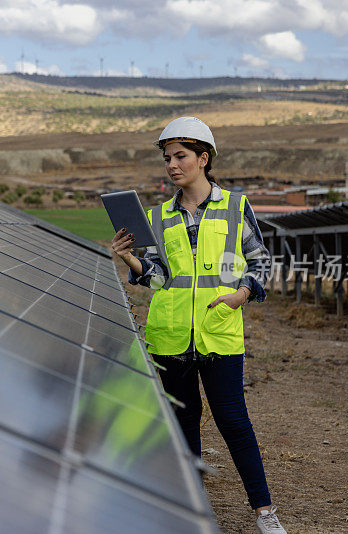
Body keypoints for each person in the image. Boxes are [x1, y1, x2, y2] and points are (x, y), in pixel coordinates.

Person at [111, 116, 287, 534]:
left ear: (203, 158)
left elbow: (261, 262)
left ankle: (264, 512)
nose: (172, 165)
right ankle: (191, 511)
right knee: (184, 424)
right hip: (169, 336)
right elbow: (159, 279)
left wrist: (241, 294)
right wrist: (131, 260)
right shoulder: (158, 216)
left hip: (220, 331)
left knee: (233, 423)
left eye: (181, 156)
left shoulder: (234, 207)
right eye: (168, 157)